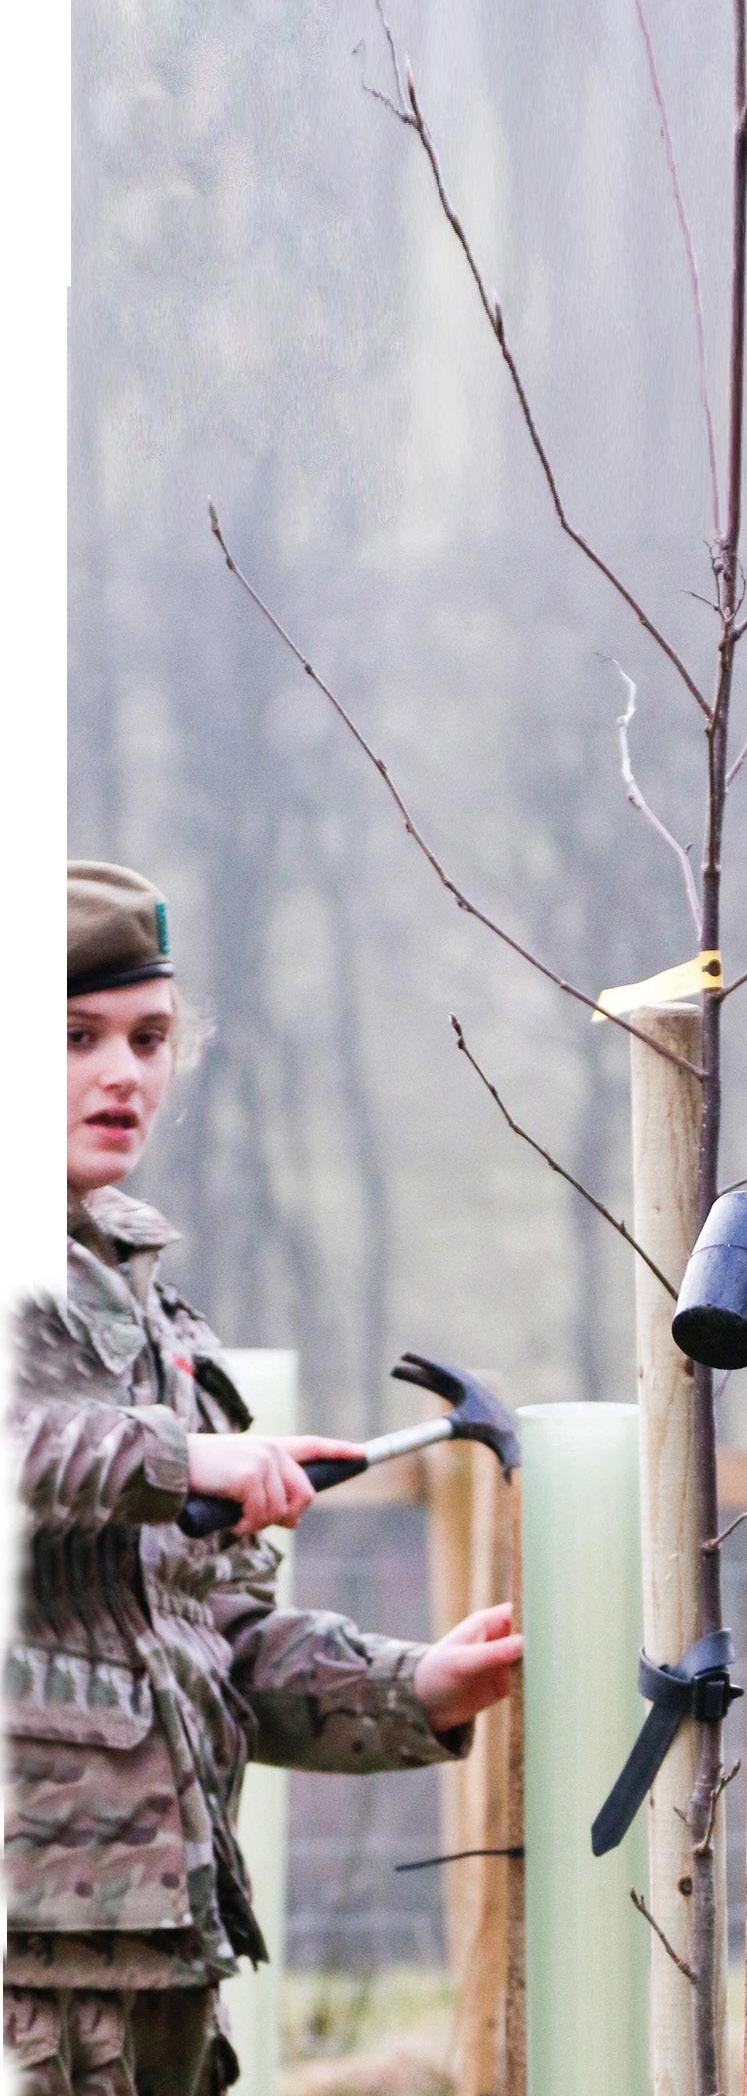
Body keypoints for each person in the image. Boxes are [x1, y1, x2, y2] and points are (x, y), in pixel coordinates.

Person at [5, 862, 524, 2096]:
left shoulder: (153, 1314)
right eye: (74, 1036)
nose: (123, 1074)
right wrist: (179, 1458)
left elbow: (216, 1640)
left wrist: (413, 1686)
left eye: (148, 1038)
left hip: (155, 1952)